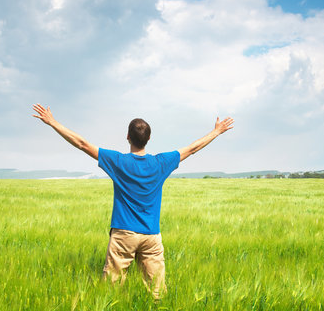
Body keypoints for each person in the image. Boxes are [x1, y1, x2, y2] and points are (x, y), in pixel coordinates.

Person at [32, 104, 234, 299]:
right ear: (149, 139)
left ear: (128, 137)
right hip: (151, 236)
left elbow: (82, 144)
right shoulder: (161, 163)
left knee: (110, 291)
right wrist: (216, 131)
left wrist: (52, 122)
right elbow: (192, 149)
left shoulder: (118, 162)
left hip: (123, 234)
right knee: (157, 293)